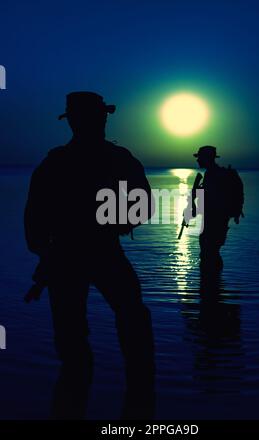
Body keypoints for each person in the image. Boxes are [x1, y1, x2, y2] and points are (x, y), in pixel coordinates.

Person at [24, 91, 156, 419]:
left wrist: (50, 248)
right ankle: (136, 395)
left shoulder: (56, 162)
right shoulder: (113, 159)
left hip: (82, 254)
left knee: (89, 333)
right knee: (119, 322)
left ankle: (105, 394)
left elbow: (34, 222)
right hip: (87, 254)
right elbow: (142, 209)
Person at [193, 145, 244, 272]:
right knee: (209, 251)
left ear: (207, 158)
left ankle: (212, 283)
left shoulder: (215, 175)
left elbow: (212, 199)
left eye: (200, 157)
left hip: (216, 220)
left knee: (209, 252)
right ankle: (214, 283)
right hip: (214, 219)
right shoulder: (211, 174)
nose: (197, 160)